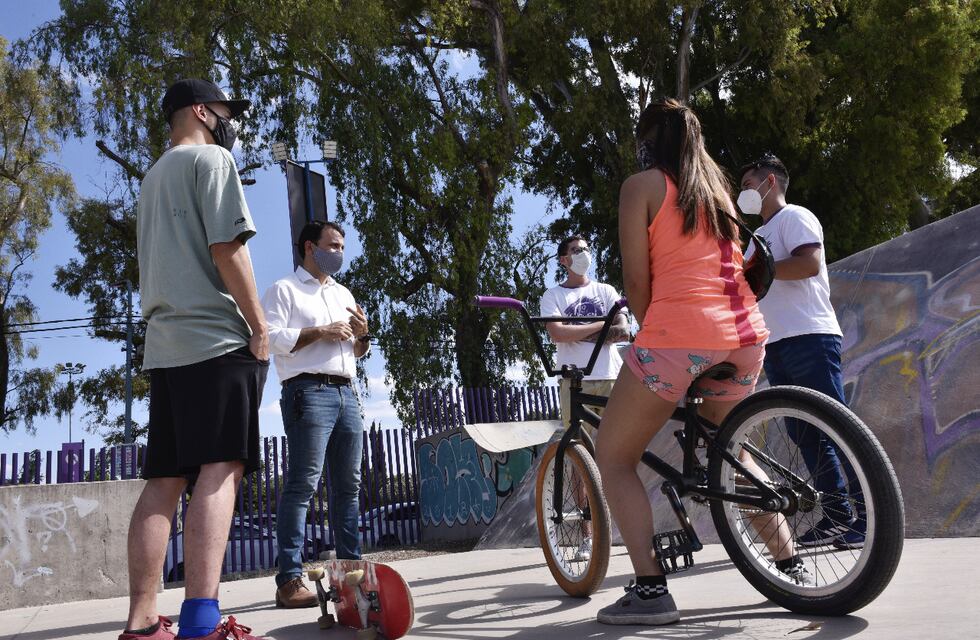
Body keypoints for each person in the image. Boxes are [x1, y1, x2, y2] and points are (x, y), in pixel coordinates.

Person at [595, 100, 807, 626]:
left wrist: (654, 335)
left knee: (614, 456)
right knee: (730, 449)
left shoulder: (640, 187)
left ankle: (650, 590)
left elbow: (637, 283)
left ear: (648, 141)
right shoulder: (717, 195)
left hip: (680, 337)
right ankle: (791, 565)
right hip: (744, 337)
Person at [121, 79, 269, 640]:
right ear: (203, 112)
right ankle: (202, 623)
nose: (231, 124)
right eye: (227, 113)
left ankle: (141, 624)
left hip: (165, 345)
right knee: (220, 467)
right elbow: (227, 249)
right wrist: (259, 327)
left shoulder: (151, 178)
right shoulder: (213, 160)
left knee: (164, 479)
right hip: (215, 338)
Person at [737, 154, 865, 550]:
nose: (743, 193)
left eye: (747, 184)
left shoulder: (794, 217)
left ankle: (870, 517)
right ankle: (837, 515)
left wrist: (758, 270)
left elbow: (808, 263)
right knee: (803, 432)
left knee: (837, 427)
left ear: (770, 182)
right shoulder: (756, 238)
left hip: (810, 336)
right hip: (775, 344)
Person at [261, 220, 371, 608]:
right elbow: (270, 339)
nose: (339, 253)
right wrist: (321, 331)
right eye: (333, 245)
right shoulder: (284, 290)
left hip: (347, 392)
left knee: (349, 486)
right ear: (310, 247)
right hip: (307, 391)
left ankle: (351, 574)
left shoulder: (343, 292)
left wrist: (363, 334)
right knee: (303, 484)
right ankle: (289, 580)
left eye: (341, 247)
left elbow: (357, 351)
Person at [539, 235, 629, 562]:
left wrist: (581, 330)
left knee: (620, 454)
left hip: (610, 377)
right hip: (574, 381)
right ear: (563, 260)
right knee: (580, 458)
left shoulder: (606, 291)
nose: (583, 255)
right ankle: (589, 536)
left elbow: (622, 330)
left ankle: (627, 525)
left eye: (587, 249)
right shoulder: (553, 295)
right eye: (576, 251)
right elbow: (557, 333)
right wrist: (601, 327)